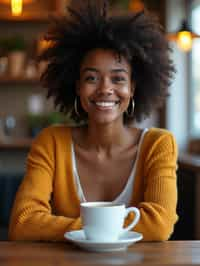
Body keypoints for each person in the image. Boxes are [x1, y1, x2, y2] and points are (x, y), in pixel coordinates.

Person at [9, 0, 178, 242]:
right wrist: (106, 230)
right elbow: (23, 223)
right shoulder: (51, 143)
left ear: (133, 88)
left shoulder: (158, 145)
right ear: (77, 87)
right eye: (91, 78)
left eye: (118, 79)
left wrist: (79, 232)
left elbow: (160, 226)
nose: (105, 89)